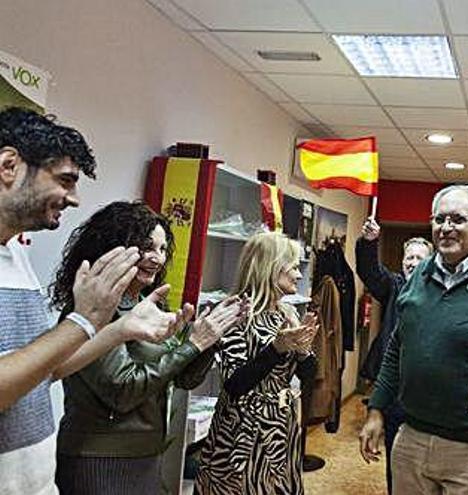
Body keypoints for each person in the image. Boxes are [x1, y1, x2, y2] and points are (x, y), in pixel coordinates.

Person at [0, 107, 185, 495]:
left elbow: (45, 368)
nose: (74, 198)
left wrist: (118, 328)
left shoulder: (14, 254)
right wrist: (81, 321)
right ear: (8, 165)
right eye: (65, 180)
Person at [48, 201, 247, 494]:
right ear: (113, 248)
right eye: (147, 247)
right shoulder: (92, 309)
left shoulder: (146, 303)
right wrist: (191, 345)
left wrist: (209, 339)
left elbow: (183, 378)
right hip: (99, 457)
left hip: (146, 454)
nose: (157, 258)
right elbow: (123, 390)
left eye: (163, 249)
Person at [359, 184, 468, 495]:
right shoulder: (419, 274)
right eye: (439, 219)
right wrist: (377, 409)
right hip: (411, 438)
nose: (446, 228)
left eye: (458, 220)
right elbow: (397, 348)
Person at [196, 233, 319, 495]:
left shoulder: (286, 312)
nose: (299, 275)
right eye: (294, 267)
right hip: (241, 435)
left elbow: (307, 376)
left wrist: (304, 352)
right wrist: (278, 348)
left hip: (279, 430)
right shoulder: (236, 313)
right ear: (271, 268)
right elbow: (234, 383)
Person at [355, 217, 433, 494]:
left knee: (426, 466)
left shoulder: (442, 293)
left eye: (419, 257)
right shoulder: (394, 286)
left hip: (427, 395)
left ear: (431, 262)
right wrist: (368, 243)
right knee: (396, 462)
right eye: (408, 257)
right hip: (393, 392)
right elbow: (370, 271)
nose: (412, 262)